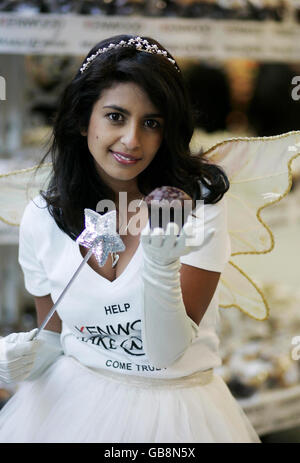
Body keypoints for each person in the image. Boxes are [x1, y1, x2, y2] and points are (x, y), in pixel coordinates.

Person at [0, 34, 260, 443]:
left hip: (178, 417)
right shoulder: (42, 218)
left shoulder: (195, 209)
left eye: (151, 123)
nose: (132, 140)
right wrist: (23, 360)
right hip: (70, 409)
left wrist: (160, 262)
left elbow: (164, 352)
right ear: (84, 118)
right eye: (116, 116)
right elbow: (56, 334)